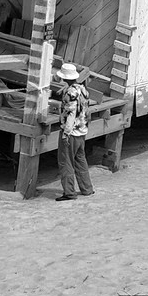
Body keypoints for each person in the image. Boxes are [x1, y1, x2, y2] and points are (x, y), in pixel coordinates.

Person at [52, 62, 94, 201]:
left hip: (71, 132)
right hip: (82, 131)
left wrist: (66, 133)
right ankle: (87, 188)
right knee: (80, 159)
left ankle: (69, 192)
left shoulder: (70, 93)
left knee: (66, 162)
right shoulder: (82, 89)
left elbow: (71, 114)